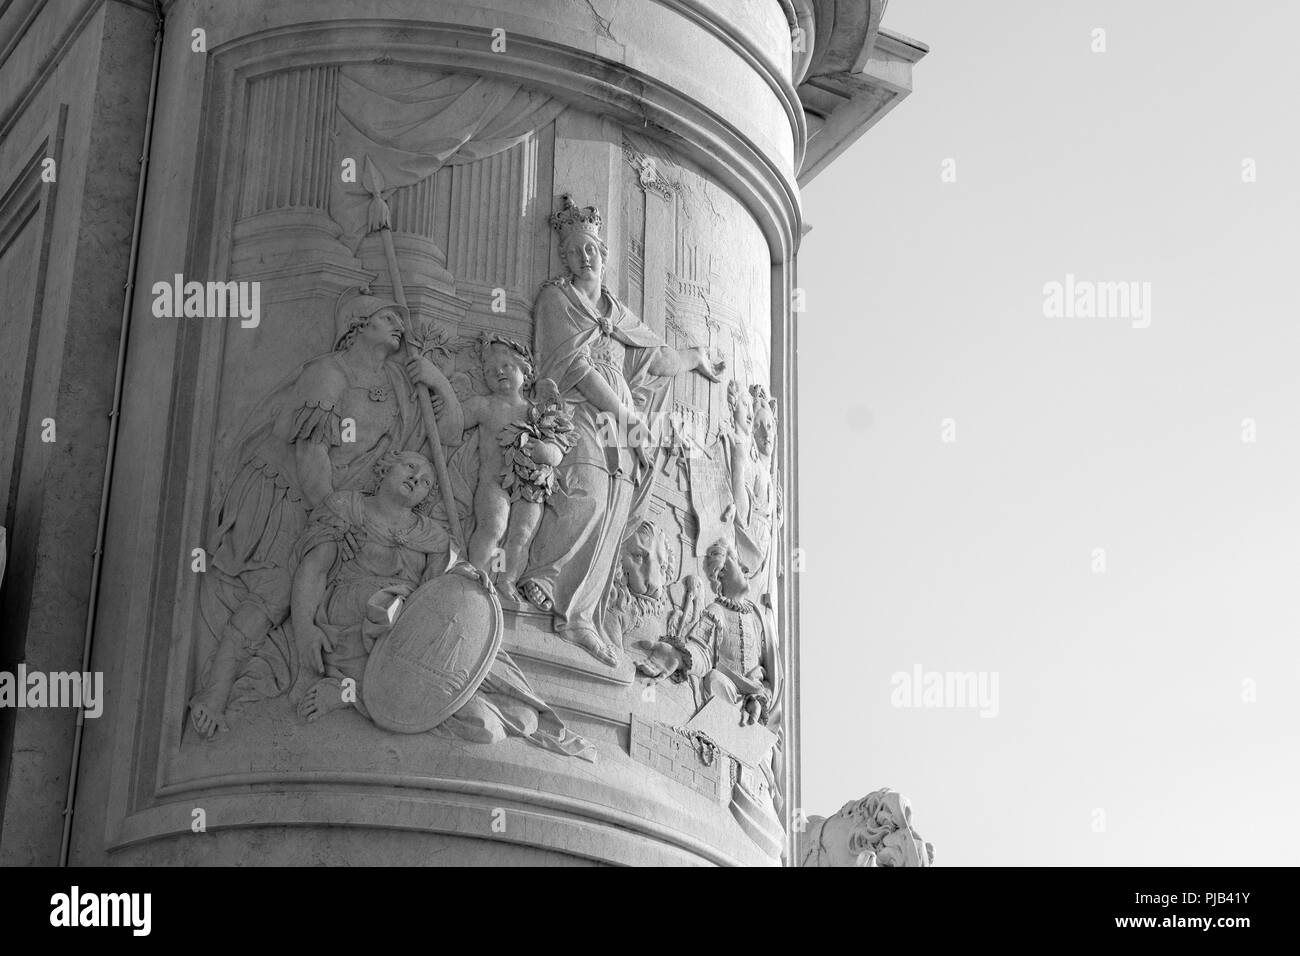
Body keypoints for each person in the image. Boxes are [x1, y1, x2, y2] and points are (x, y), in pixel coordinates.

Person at [189, 288, 460, 739]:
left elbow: (443, 438)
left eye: (400, 319)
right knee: (278, 589)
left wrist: (439, 383)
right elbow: (311, 452)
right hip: (291, 492)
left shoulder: (396, 379)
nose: (399, 325)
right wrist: (333, 519)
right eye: (387, 318)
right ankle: (213, 693)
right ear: (357, 324)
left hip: (346, 506)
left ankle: (346, 685)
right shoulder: (328, 373)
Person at [517, 195, 724, 666]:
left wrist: (695, 358)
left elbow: (657, 357)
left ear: (604, 255)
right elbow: (572, 366)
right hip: (576, 412)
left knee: (614, 515)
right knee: (586, 494)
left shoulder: (616, 314)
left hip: (619, 426)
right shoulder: (557, 299)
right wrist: (627, 417)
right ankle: (544, 579)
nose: (585, 256)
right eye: (575, 250)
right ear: (565, 258)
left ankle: (580, 618)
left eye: (592, 247)